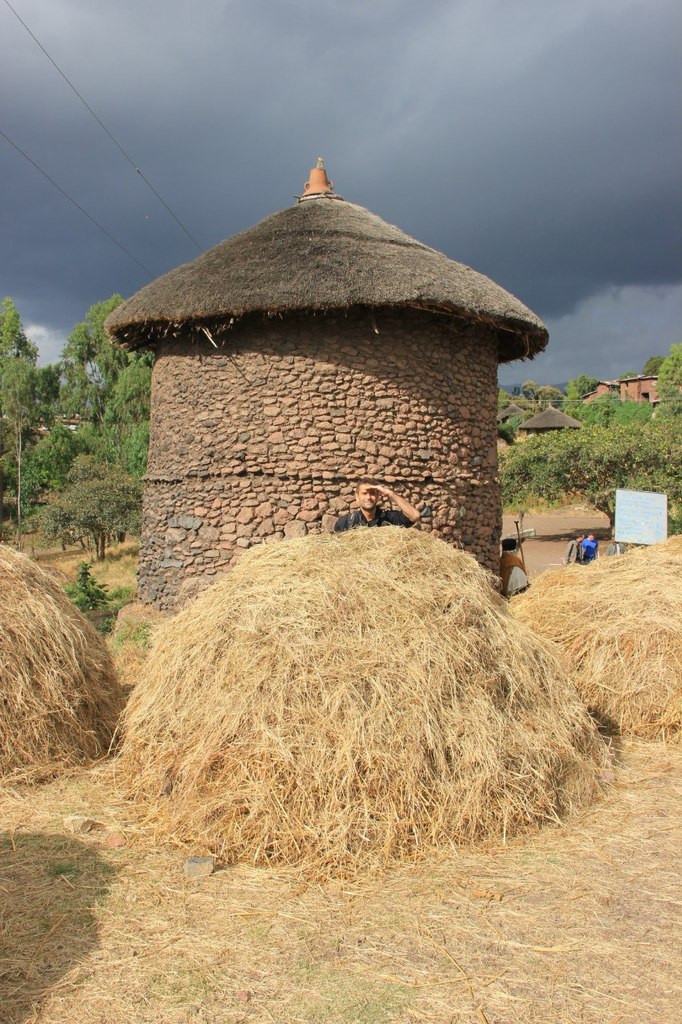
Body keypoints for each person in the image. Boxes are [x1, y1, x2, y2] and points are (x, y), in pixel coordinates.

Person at [334, 479, 421, 532]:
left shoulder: (390, 519)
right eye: (364, 493)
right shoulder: (345, 523)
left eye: (372, 493)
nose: (368, 497)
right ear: (357, 497)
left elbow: (415, 515)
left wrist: (390, 494)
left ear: (378, 497)